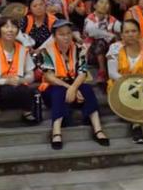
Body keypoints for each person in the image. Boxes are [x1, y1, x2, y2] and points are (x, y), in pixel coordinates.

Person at [39, 19, 110, 149]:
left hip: (73, 85)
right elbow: (49, 77)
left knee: (87, 89)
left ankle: (97, 129)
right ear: (54, 36)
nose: (66, 37)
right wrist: (70, 88)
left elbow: (82, 73)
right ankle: (56, 132)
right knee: (58, 91)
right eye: (61, 34)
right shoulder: (46, 51)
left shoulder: (79, 49)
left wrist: (74, 88)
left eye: (68, 33)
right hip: (53, 87)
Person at [0, 17, 38, 129]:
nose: (10, 30)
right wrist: (5, 81)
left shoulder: (23, 50)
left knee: (27, 91)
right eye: (6, 27)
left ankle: (25, 111)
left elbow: (31, 76)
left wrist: (21, 80)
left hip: (17, 85)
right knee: (6, 91)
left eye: (13, 27)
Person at [84, 0, 121, 83]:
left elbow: (121, 28)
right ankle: (102, 71)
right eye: (101, 2)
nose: (104, 5)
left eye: (107, 3)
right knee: (100, 41)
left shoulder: (111, 19)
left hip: (107, 50)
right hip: (91, 52)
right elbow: (92, 32)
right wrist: (110, 35)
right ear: (95, 5)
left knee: (116, 43)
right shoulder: (90, 18)